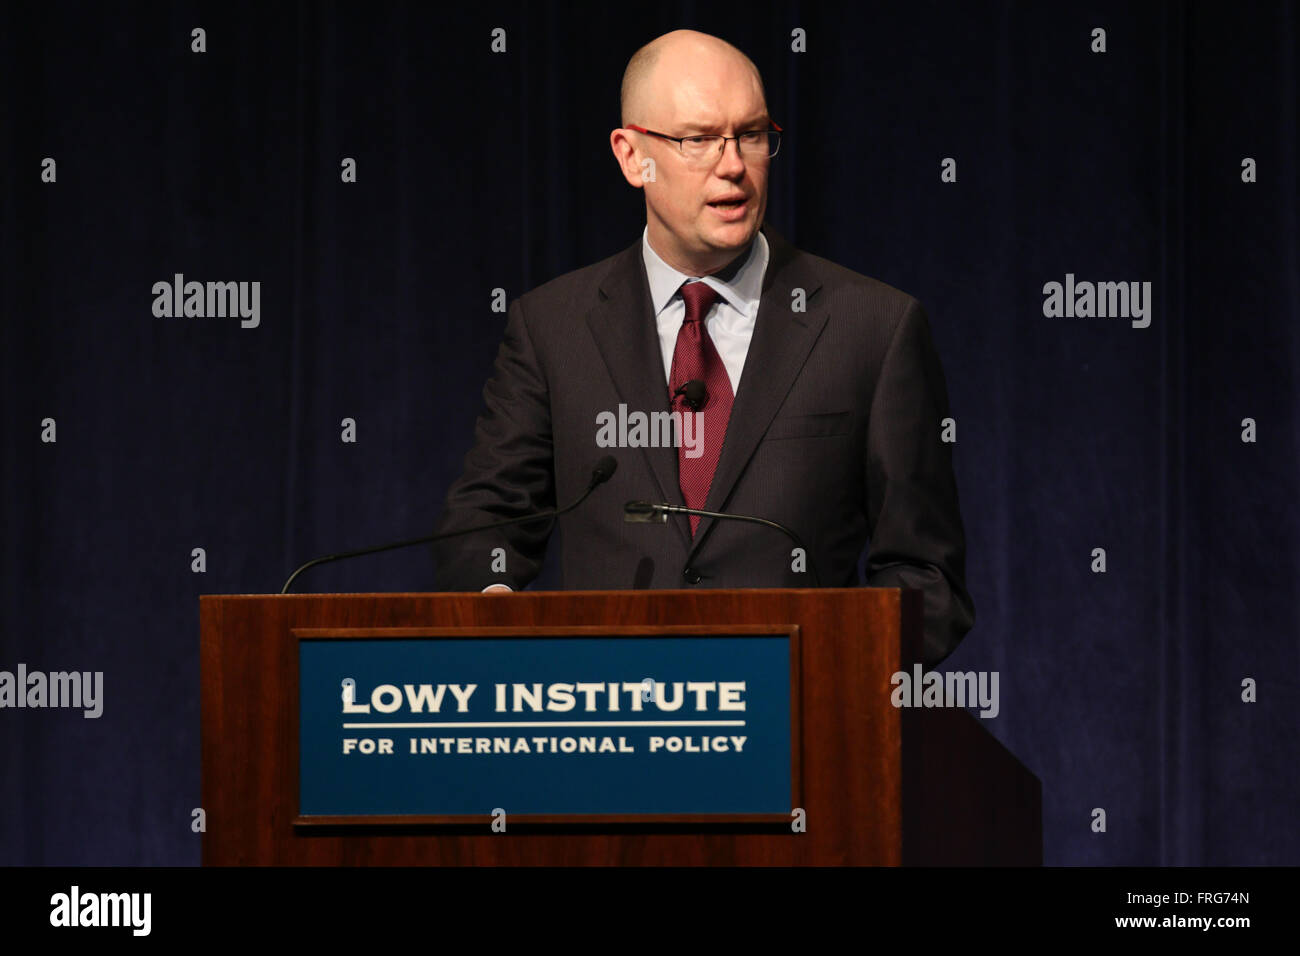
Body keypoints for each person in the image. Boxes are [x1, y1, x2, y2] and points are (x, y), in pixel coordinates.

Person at [433, 29, 974, 667]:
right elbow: (488, 520)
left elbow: (926, 578)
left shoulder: (873, 328)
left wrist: (837, 680)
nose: (734, 165)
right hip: (605, 727)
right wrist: (495, 608)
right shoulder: (552, 327)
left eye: (751, 135)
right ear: (632, 156)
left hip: (798, 735)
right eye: (698, 139)